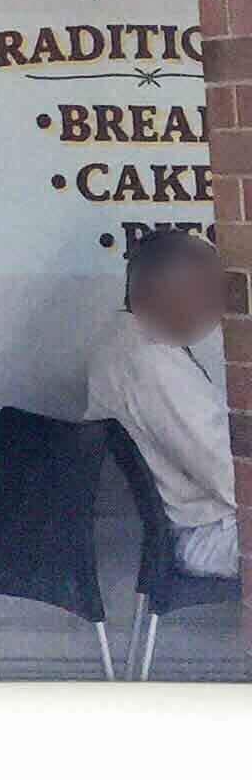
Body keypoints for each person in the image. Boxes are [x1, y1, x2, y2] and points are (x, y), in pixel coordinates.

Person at [85, 227, 240, 580]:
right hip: (206, 533)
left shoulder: (126, 339)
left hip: (210, 520)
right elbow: (227, 473)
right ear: (162, 293)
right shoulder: (149, 362)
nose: (215, 312)